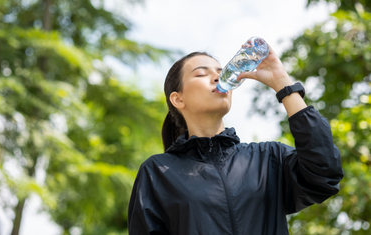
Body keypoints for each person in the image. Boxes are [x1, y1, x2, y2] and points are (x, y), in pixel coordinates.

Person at [127, 46, 344, 235]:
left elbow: (325, 173)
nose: (218, 78)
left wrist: (283, 83)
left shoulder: (269, 159)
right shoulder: (157, 173)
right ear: (178, 99)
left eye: (222, 73)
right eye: (202, 74)